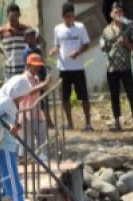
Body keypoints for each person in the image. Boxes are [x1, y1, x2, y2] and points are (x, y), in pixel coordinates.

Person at [50, 3, 92, 131]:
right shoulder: (57, 29)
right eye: (67, 16)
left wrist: (78, 52)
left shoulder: (80, 27)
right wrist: (54, 50)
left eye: (72, 16)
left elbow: (87, 44)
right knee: (65, 97)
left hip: (78, 68)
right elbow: (57, 45)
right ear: (63, 16)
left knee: (84, 97)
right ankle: (70, 123)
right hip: (64, 68)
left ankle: (88, 123)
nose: (70, 18)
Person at [101, 2, 133, 131]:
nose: (118, 14)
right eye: (116, 12)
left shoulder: (129, 28)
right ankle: (117, 122)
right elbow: (104, 48)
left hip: (125, 67)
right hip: (112, 68)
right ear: (111, 15)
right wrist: (104, 46)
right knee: (114, 95)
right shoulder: (106, 31)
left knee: (131, 94)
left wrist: (125, 42)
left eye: (120, 12)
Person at [0, 4, 38, 81]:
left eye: (15, 16)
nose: (13, 19)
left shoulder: (26, 29)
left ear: (19, 15)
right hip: (9, 72)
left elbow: (40, 39)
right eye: (11, 17)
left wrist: (32, 46)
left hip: (25, 71)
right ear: (7, 16)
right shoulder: (2, 31)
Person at [20, 54, 51, 161]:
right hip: (26, 113)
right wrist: (44, 83)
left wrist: (45, 84)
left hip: (37, 112)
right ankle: (26, 161)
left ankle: (43, 158)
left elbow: (40, 91)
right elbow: (30, 91)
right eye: (35, 66)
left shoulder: (36, 78)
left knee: (43, 136)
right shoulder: (23, 78)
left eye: (38, 66)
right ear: (28, 65)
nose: (37, 68)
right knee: (27, 140)